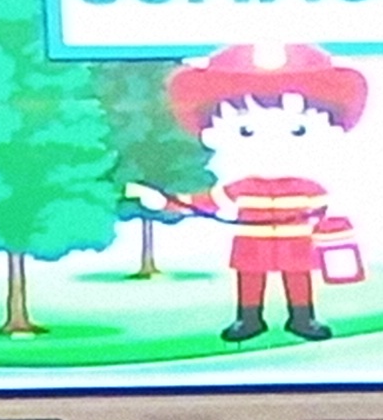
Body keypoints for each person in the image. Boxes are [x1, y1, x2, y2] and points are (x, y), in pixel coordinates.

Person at [147, 41, 370, 342]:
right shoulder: (243, 188)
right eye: (246, 130)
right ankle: (249, 319)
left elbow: (327, 216)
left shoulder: (309, 189)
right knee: (250, 280)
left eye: (298, 130)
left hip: (296, 247)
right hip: (252, 247)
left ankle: (302, 318)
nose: (272, 144)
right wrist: (167, 202)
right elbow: (207, 202)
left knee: (299, 280)